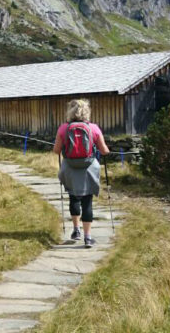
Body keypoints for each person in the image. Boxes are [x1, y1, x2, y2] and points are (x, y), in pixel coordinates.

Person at [53, 99, 109, 248]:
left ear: (69, 111)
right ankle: (88, 237)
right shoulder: (94, 128)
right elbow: (104, 151)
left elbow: (56, 151)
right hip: (89, 168)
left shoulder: (64, 128)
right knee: (87, 201)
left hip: (70, 168)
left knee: (74, 198)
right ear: (87, 111)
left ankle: (76, 230)